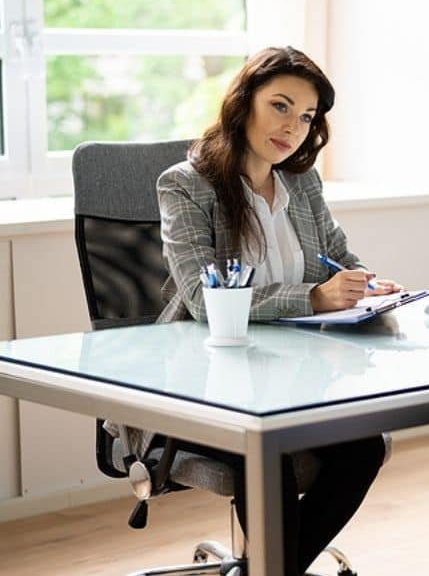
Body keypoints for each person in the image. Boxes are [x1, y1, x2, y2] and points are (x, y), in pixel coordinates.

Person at [156, 46, 401, 575]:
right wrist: (313, 297)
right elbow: (202, 300)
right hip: (210, 380)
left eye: (307, 116)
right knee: (266, 453)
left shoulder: (301, 180)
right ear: (244, 103)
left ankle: (265, 571)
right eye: (281, 106)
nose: (293, 126)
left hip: (296, 374)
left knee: (364, 447)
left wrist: (369, 284)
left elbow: (335, 254)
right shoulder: (185, 185)